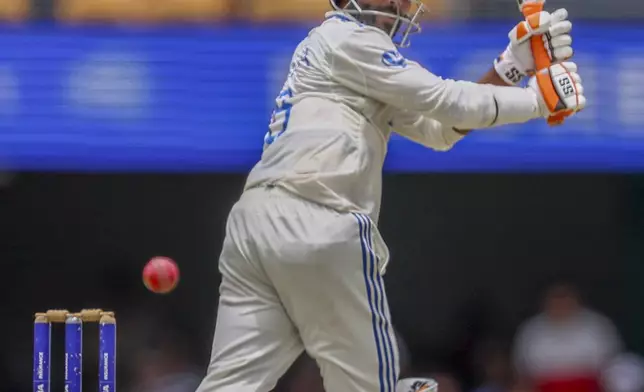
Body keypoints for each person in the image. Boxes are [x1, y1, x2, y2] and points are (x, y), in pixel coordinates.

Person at [195, 1, 584, 391]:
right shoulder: (349, 38)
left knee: (230, 385)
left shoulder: (347, 55)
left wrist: (510, 68)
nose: (406, 6)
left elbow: (441, 129)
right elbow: (449, 100)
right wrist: (539, 100)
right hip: (319, 219)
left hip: (253, 227)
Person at [513, 282, 622, 392]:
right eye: (556, 299)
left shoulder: (598, 325)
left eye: (565, 298)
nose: (561, 304)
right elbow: (522, 371)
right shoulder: (530, 330)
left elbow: (612, 364)